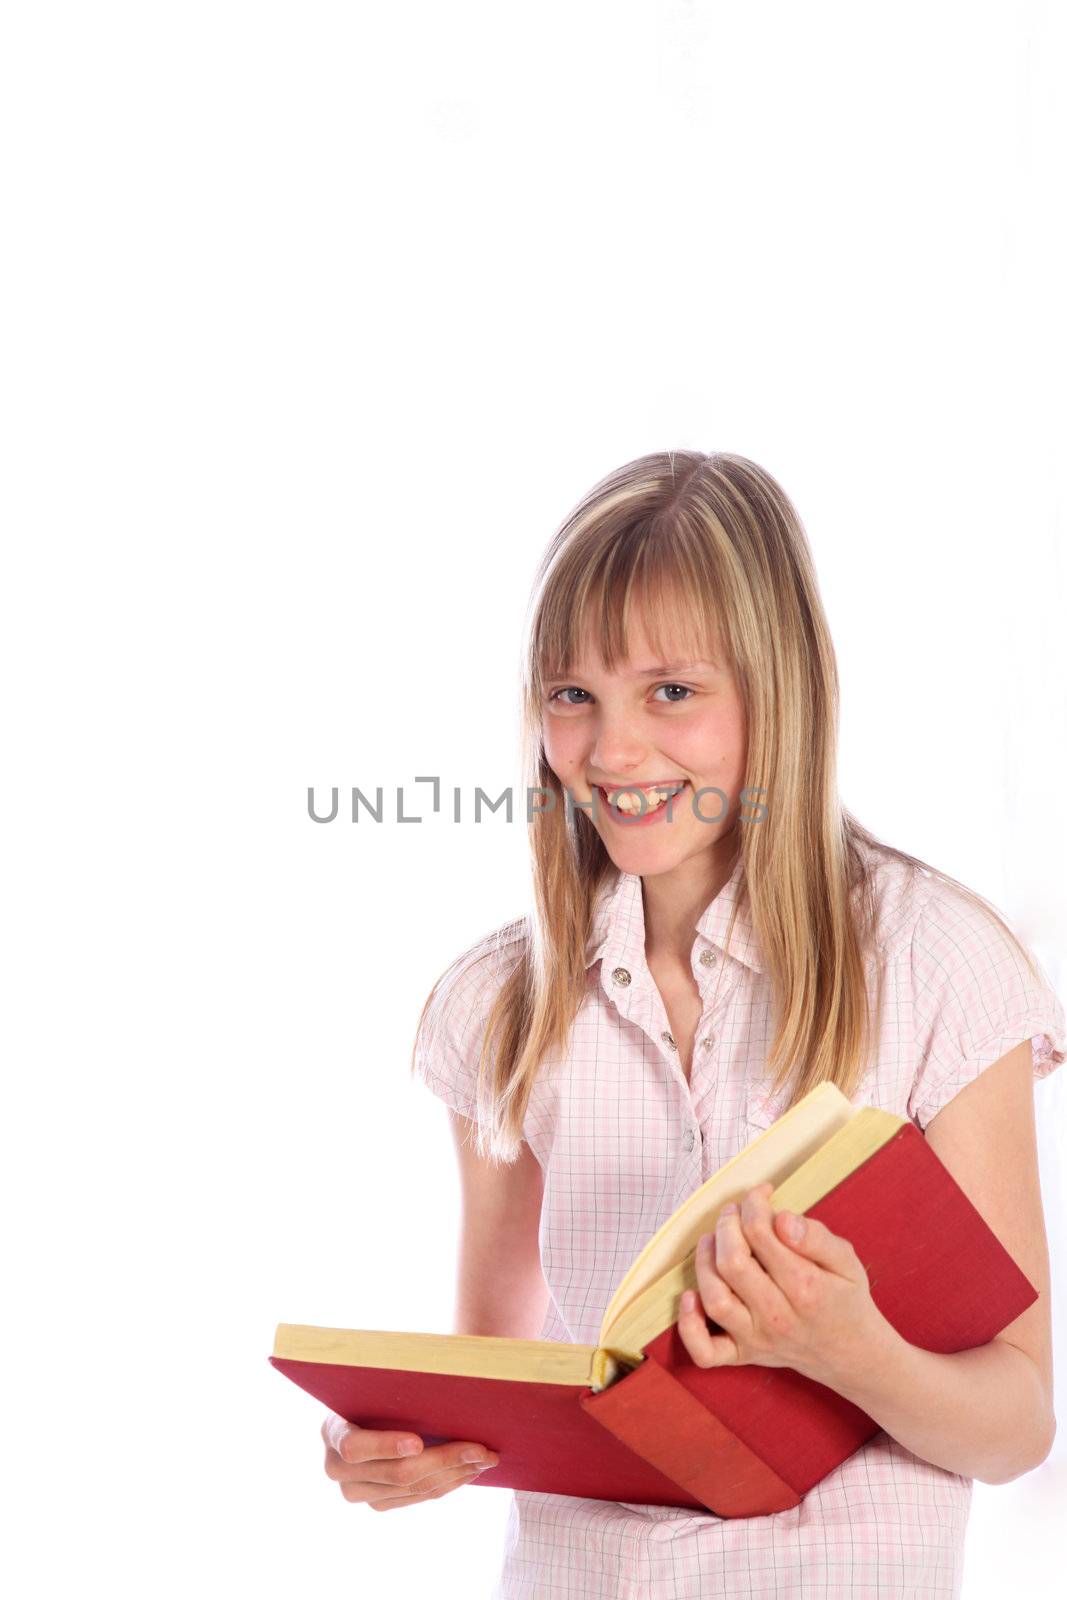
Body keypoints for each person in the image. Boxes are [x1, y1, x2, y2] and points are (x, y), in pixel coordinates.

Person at [321, 450, 1065, 1597]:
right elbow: (491, 1365)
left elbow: (1015, 1426)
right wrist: (402, 1441)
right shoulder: (501, 1006)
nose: (613, 753)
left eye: (670, 690)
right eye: (573, 694)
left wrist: (849, 1352)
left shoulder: (934, 963)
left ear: (780, 691)